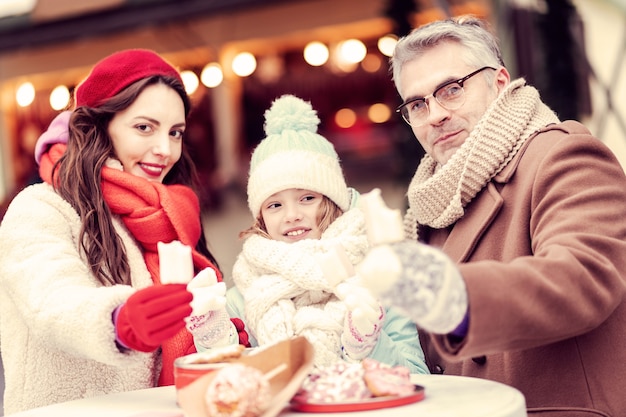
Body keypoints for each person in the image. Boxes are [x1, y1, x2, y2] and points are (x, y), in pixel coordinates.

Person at [355, 15, 626, 416]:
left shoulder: (561, 155)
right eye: (417, 104)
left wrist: (450, 294)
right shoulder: (430, 199)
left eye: (451, 90)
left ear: (499, 83)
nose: (435, 115)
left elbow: (584, 277)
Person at [0, 49, 246, 415]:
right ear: (99, 126)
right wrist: (119, 322)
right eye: (144, 127)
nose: (165, 149)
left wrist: (210, 338)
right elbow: (52, 301)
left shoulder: (169, 214)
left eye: (175, 132)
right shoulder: (40, 207)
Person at [188, 94, 429, 374]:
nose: (291, 215)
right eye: (275, 205)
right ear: (261, 217)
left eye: (307, 198)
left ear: (333, 202)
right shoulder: (242, 296)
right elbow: (226, 393)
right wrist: (214, 338)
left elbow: (417, 378)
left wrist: (368, 345)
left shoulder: (380, 281)